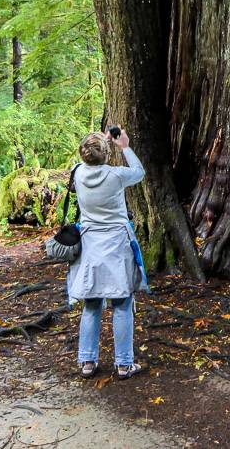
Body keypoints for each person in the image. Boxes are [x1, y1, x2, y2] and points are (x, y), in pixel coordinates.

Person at [67, 127, 145, 379]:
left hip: (90, 247)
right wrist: (124, 145)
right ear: (106, 153)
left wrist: (100, 141)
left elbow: (86, 159)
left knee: (92, 304)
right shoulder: (116, 175)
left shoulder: (77, 173)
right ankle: (124, 364)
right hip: (116, 246)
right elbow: (140, 172)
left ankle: (87, 362)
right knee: (122, 303)